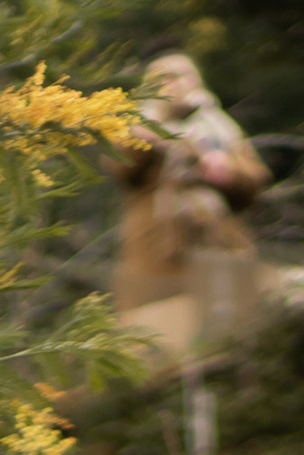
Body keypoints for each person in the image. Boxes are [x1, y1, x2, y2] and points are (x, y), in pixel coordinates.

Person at [112, 48, 270, 365]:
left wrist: (226, 171)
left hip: (218, 239)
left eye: (179, 76)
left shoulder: (220, 127)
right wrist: (148, 138)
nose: (171, 85)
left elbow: (255, 180)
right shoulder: (139, 123)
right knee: (156, 331)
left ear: (195, 81)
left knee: (228, 325)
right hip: (155, 244)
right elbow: (119, 168)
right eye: (161, 78)